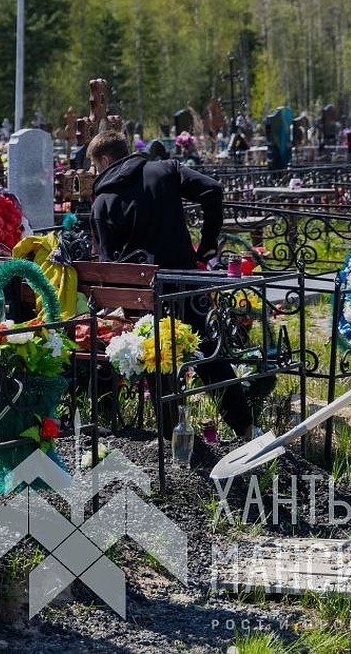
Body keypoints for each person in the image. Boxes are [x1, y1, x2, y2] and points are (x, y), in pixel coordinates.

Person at [86, 129, 254, 438]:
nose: (95, 173)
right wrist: (206, 244)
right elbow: (212, 190)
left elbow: (108, 266)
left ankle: (170, 435)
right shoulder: (165, 169)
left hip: (145, 296)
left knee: (154, 353)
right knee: (206, 352)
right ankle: (245, 427)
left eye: (95, 167)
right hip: (184, 283)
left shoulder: (103, 201)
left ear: (106, 160)